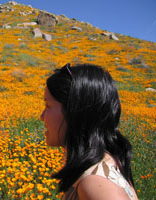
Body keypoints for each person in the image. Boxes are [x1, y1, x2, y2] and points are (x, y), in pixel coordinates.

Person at [40, 63, 138, 200]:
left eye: (48, 106)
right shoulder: (108, 162)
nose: (42, 116)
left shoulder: (95, 184)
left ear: (74, 113)